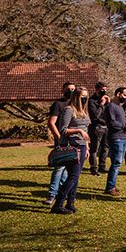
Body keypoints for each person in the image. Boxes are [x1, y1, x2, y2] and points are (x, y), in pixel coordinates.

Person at [51, 87, 91, 215]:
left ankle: (70, 203)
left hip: (82, 146)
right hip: (73, 146)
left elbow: (86, 130)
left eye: (86, 96)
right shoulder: (69, 110)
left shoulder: (84, 111)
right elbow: (63, 130)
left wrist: (87, 147)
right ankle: (58, 203)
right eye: (82, 97)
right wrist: (78, 131)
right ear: (76, 97)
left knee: (76, 176)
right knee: (73, 176)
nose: (84, 99)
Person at [44, 81, 75, 205]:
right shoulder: (58, 104)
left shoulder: (75, 104)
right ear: (63, 90)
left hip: (73, 140)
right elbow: (51, 123)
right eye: (68, 89)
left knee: (67, 169)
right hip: (62, 140)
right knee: (59, 168)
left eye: (73, 89)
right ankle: (52, 194)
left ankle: (63, 193)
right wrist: (59, 138)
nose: (71, 91)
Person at [103, 87, 126, 196]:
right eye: (124, 95)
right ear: (118, 94)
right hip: (116, 138)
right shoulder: (110, 107)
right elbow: (111, 123)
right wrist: (124, 125)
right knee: (116, 163)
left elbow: (120, 122)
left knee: (118, 163)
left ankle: (112, 185)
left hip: (124, 137)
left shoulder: (119, 107)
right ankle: (110, 187)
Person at [87, 82, 110, 176]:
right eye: (102, 90)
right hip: (96, 128)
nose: (104, 91)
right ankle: (94, 168)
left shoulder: (105, 100)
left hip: (106, 127)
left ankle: (102, 166)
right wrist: (101, 104)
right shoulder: (91, 101)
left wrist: (109, 103)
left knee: (105, 148)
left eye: (105, 90)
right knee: (94, 148)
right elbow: (95, 116)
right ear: (96, 90)